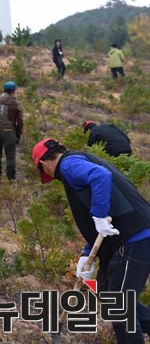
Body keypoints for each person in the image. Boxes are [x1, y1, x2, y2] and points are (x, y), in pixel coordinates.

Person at [32, 138, 150, 343]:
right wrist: (87, 255)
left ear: (43, 164)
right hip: (125, 241)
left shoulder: (68, 164)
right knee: (106, 294)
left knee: (119, 306)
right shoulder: (77, 162)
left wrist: (99, 214)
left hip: (133, 238)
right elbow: (97, 221)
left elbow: (100, 177)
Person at [0, 81, 23, 180]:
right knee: (10, 156)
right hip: (9, 132)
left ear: (3, 89)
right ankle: (11, 178)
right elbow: (20, 122)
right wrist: (18, 134)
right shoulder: (16, 103)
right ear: (14, 91)